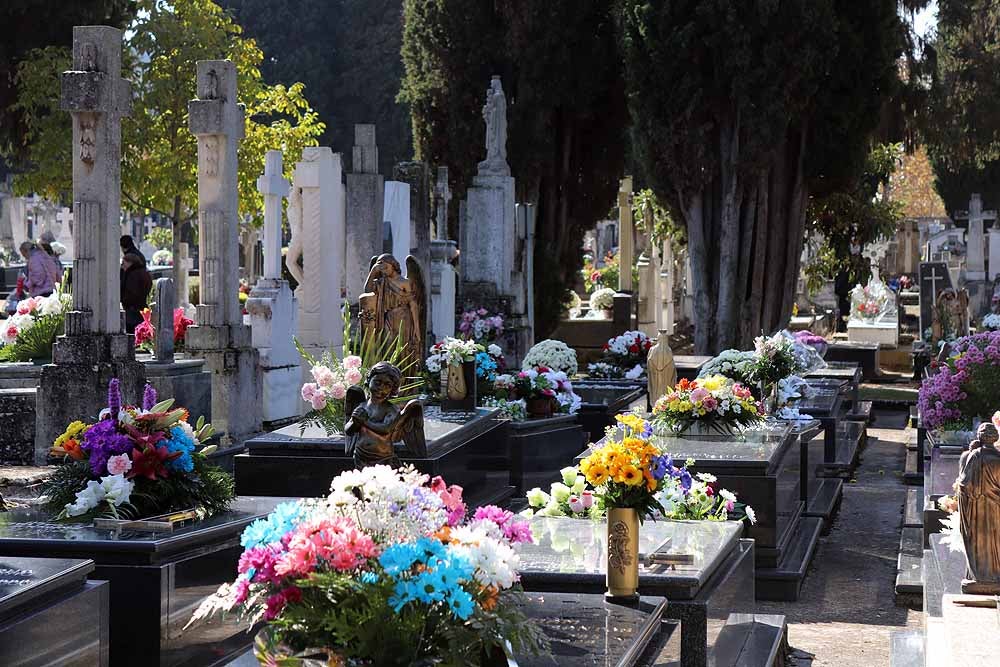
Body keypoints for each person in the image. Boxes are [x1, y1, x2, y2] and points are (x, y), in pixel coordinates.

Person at [120, 235, 152, 334]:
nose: (122, 266)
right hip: (141, 307)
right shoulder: (140, 265)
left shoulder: (132, 274)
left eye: (123, 263)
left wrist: (124, 300)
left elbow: (131, 292)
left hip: (133, 310)